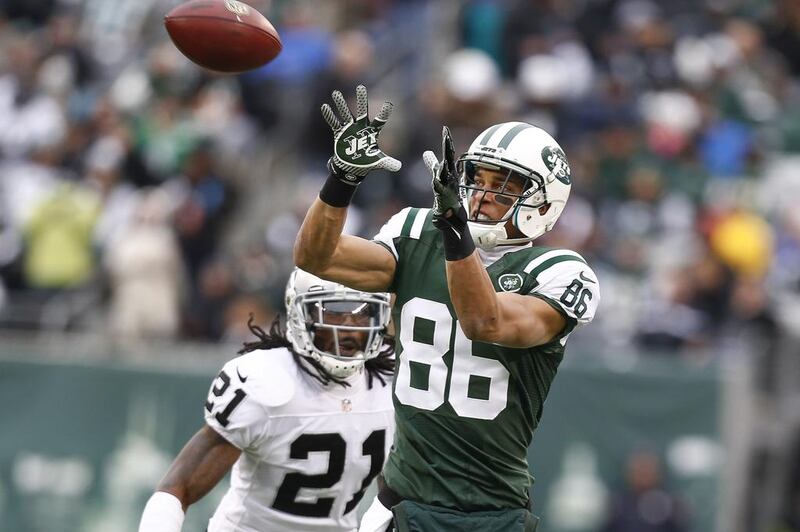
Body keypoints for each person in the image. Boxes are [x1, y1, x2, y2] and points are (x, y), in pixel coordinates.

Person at [294, 85, 601, 532]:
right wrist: (341, 180)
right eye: (479, 178)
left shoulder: (559, 271)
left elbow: (484, 320)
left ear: (544, 202)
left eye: (505, 186)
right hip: (402, 498)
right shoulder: (417, 231)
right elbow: (317, 257)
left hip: (492, 509)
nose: (482, 194)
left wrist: (455, 231)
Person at [138, 268, 395, 532]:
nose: (349, 328)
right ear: (300, 315)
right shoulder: (266, 379)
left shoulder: (390, 382)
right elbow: (178, 487)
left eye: (363, 312)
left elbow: (396, 495)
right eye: (334, 310)